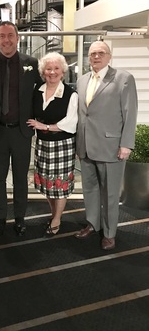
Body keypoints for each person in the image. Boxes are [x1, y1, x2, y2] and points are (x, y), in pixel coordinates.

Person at [74, 40, 138, 250]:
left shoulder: (123, 78)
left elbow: (130, 113)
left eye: (101, 53)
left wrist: (126, 144)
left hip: (111, 147)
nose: (96, 57)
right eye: (92, 53)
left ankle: (109, 233)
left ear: (109, 56)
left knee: (110, 193)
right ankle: (93, 223)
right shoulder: (82, 80)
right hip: (86, 146)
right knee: (90, 190)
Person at [0, 21, 42, 236]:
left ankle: (19, 218)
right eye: (1, 36)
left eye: (10, 35)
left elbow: (42, 91)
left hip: (21, 131)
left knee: (19, 177)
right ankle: (0, 218)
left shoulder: (31, 63)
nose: (6, 40)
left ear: (17, 38)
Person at [27, 52, 78, 237]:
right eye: (48, 68)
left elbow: (71, 123)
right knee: (47, 183)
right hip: (43, 145)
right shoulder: (37, 90)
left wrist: (45, 126)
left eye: (56, 68)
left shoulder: (71, 94)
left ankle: (57, 219)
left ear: (63, 72)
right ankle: (53, 213)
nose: (52, 72)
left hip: (62, 144)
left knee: (60, 184)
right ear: (43, 72)